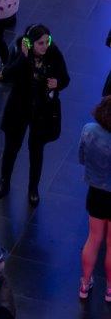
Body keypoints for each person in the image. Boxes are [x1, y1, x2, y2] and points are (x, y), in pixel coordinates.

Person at [0, 23, 70, 205]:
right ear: (29, 43)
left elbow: (65, 79)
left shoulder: (54, 53)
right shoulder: (19, 51)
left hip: (42, 110)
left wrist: (57, 83)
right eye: (40, 43)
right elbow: (6, 74)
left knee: (36, 150)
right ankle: (4, 181)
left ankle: (33, 188)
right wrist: (23, 57)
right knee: (11, 147)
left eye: (47, 41)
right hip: (19, 107)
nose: (45, 46)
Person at [78, 96, 111, 302]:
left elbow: (82, 158)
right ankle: (110, 289)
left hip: (97, 194)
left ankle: (84, 284)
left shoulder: (89, 130)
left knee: (93, 239)